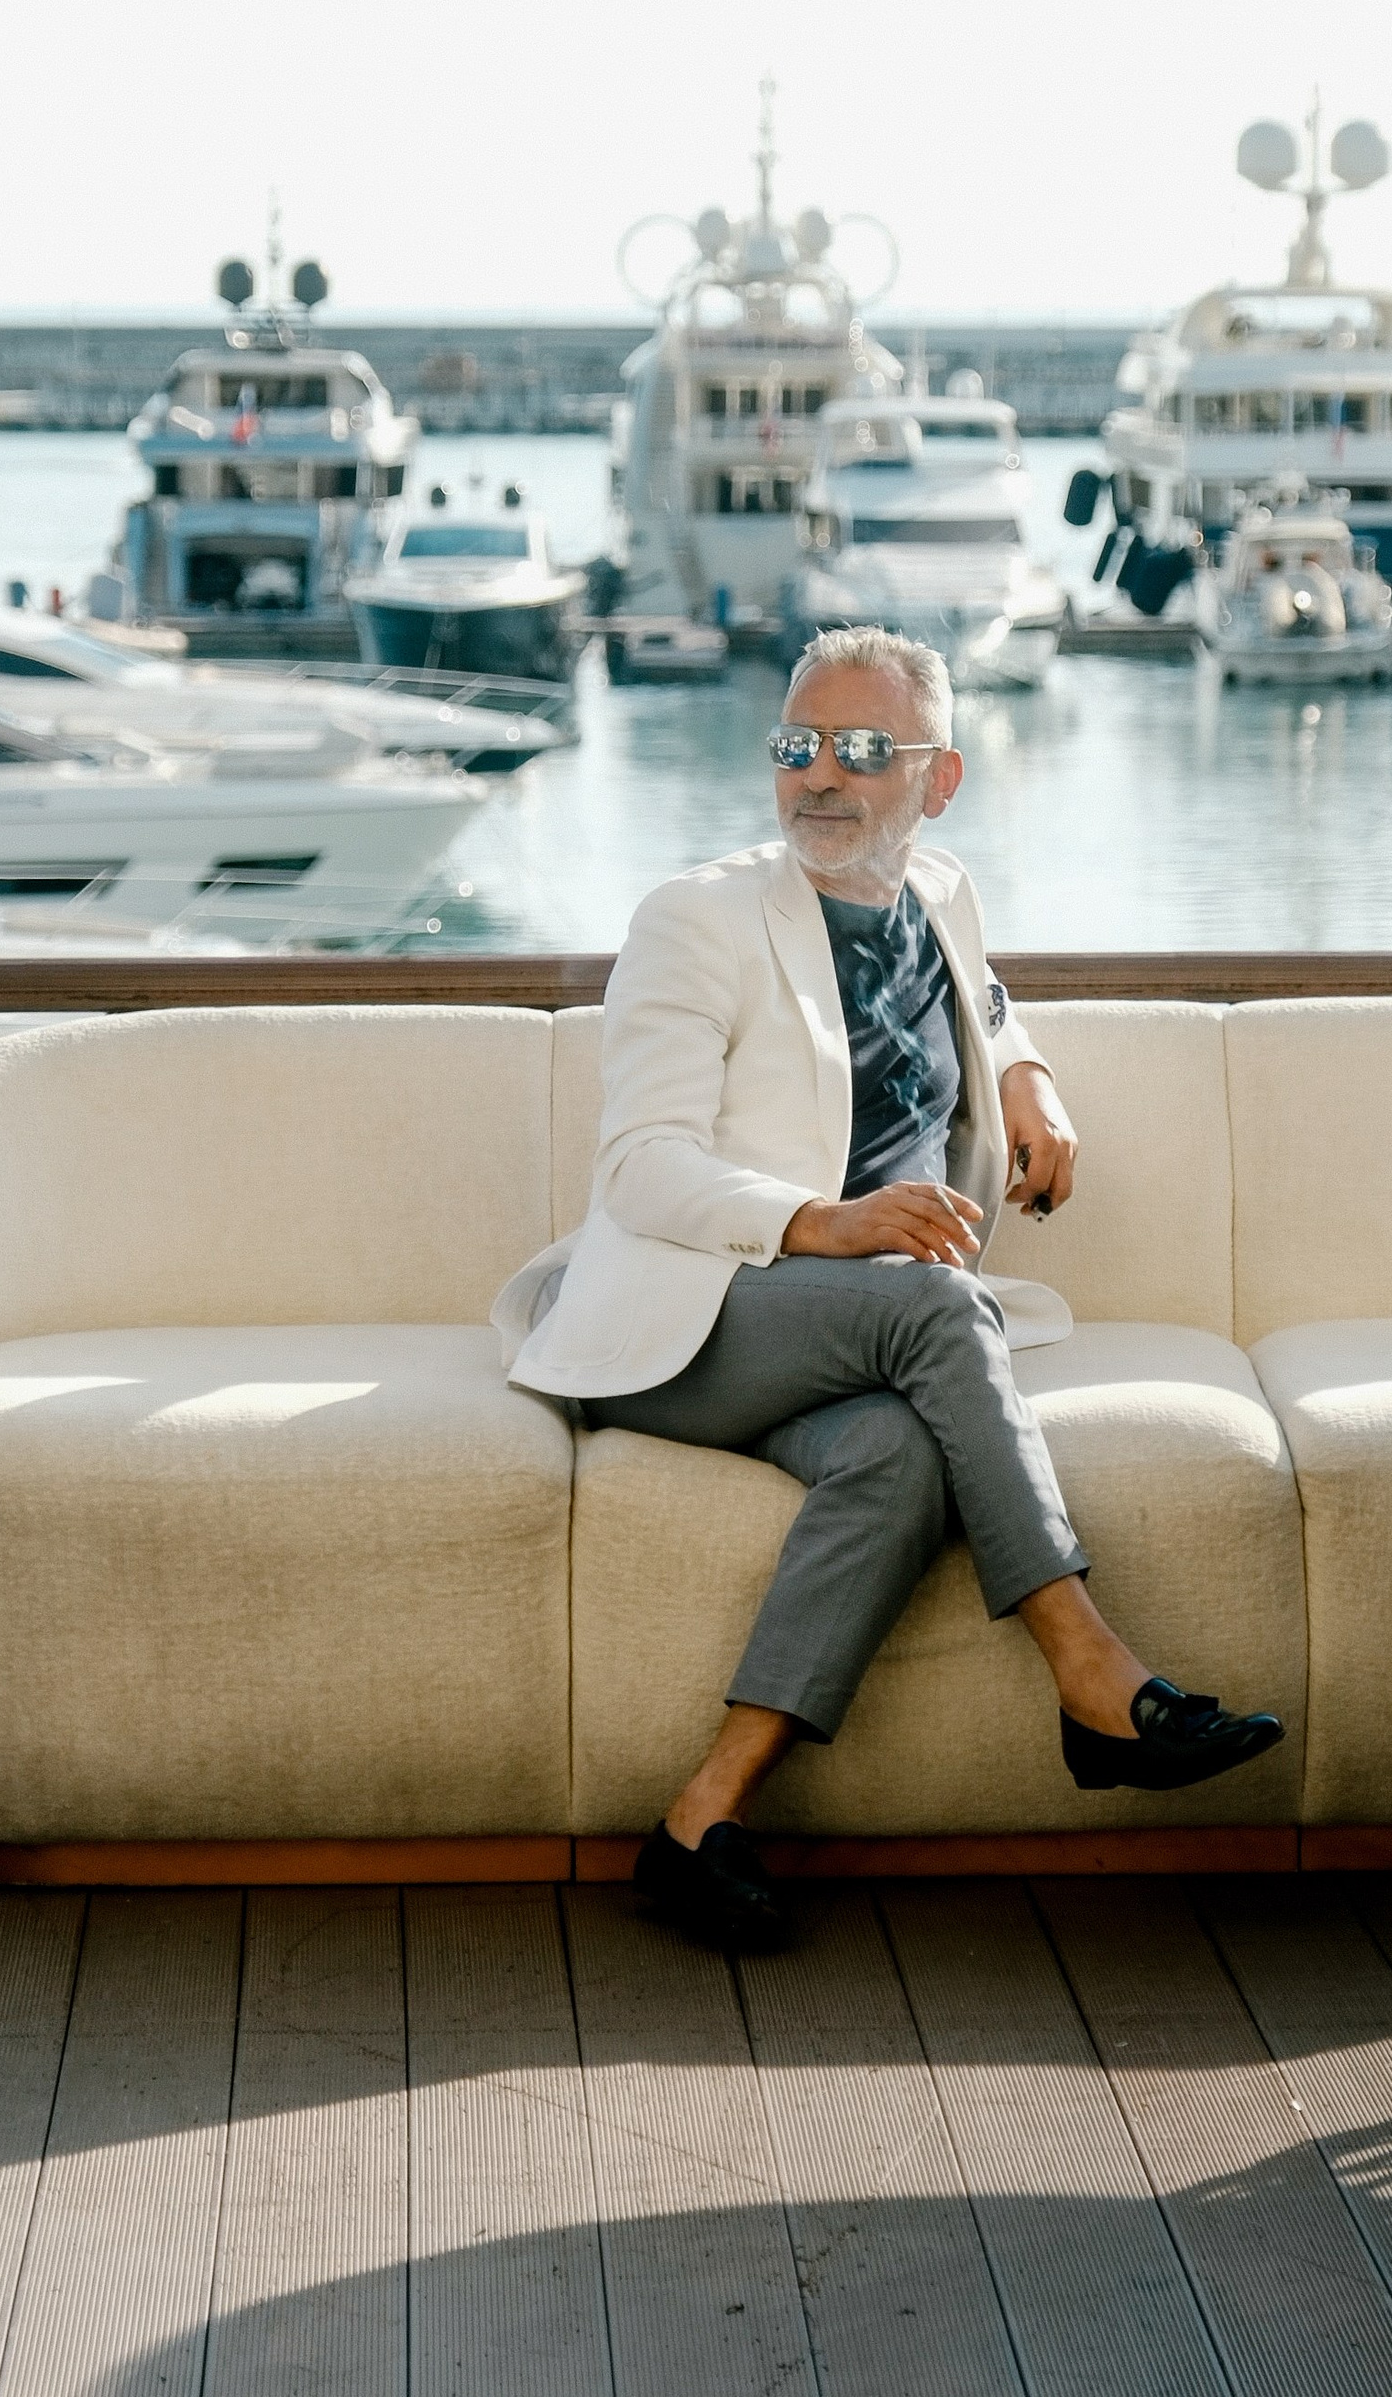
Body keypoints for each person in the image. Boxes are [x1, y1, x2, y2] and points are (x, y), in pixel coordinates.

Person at [494, 626, 1282, 1946]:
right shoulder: (696, 919)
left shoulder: (940, 890)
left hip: (850, 1336)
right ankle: (1091, 1669)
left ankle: (697, 1822)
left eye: (864, 749)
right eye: (798, 745)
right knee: (937, 1302)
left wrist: (1028, 1077)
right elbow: (641, 1168)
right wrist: (825, 1222)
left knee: (901, 1458)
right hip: (688, 1320)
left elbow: (986, 996)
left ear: (939, 779)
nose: (821, 775)